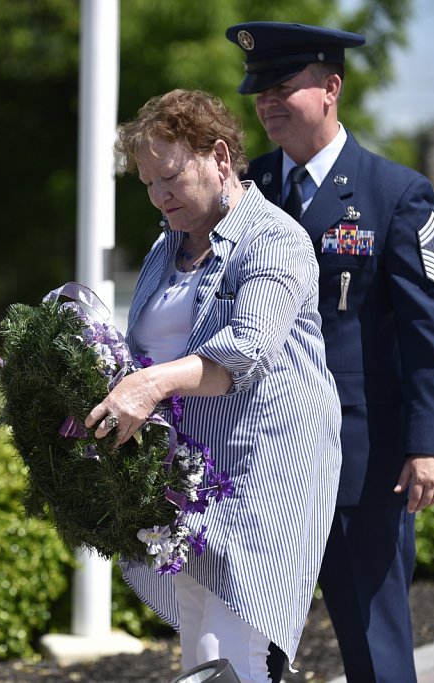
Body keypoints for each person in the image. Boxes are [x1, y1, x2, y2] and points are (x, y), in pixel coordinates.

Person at [225, 21, 434, 683]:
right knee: (252, 652)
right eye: (258, 91)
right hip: (263, 462)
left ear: (331, 87)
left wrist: (431, 443)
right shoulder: (246, 190)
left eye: (282, 87)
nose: (267, 102)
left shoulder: (395, 193)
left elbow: (433, 327)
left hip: (363, 466)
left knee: (374, 649)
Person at [84, 89, 342, 683]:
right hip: (189, 480)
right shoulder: (165, 246)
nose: (159, 195)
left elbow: (243, 354)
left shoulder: (273, 239)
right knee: (202, 651)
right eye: (147, 182)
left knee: (237, 653)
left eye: (170, 176)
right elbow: (141, 346)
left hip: (260, 477)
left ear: (220, 156)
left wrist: (148, 385)